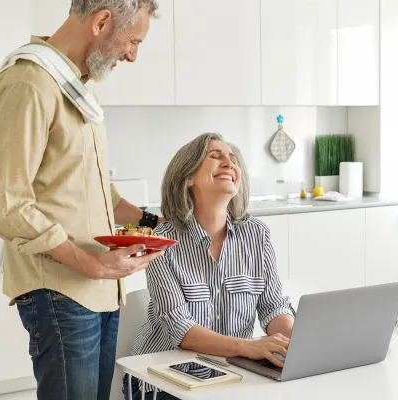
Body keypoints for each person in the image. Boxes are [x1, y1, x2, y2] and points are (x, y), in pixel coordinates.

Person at [0, 1, 163, 399]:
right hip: (62, 291)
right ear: (102, 20)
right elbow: (8, 203)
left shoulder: (77, 88)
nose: (132, 55)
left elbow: (99, 192)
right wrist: (88, 263)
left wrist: (154, 222)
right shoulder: (30, 83)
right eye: (132, 41)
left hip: (101, 290)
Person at [125, 133, 295, 399]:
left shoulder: (257, 235)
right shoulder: (162, 242)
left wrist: (298, 341)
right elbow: (181, 330)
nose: (229, 163)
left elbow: (273, 307)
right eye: (215, 157)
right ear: (188, 177)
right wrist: (249, 347)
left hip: (229, 374)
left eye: (233, 159)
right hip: (162, 379)